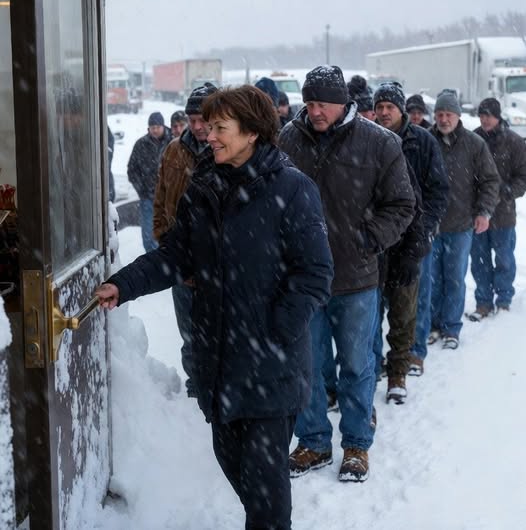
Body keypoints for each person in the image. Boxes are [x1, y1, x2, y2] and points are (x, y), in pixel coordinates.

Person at [97, 85, 333, 530]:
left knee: (265, 496)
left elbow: (315, 272)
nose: (208, 135)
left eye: (220, 127)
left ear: (252, 132)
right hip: (219, 363)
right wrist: (123, 285)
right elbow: (176, 255)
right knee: (234, 466)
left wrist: (276, 330)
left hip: (270, 369)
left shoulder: (292, 189)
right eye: (208, 127)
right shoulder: (206, 186)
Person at [279, 65, 415, 482]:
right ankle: (314, 442)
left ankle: (356, 444)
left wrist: (368, 239)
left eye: (322, 103)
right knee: (306, 365)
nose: (314, 111)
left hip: (355, 278)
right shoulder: (288, 139)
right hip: (303, 278)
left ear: (343, 103)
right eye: (309, 103)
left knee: (356, 366)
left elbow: (402, 204)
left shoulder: (379, 143)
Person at [373, 82, 449, 394]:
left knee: (405, 312)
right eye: (379, 107)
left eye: (389, 107)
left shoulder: (422, 141)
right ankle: (372, 366)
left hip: (411, 242)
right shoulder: (367, 139)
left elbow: (438, 191)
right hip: (375, 243)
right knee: (371, 315)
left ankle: (399, 370)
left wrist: (422, 232)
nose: (384, 112)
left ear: (401, 109)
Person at [153, 83, 217, 397]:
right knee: (189, 334)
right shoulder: (174, 150)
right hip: (182, 263)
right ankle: (195, 387)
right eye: (192, 120)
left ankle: (219, 386)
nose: (197, 126)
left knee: (220, 332)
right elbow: (160, 199)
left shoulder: (229, 149)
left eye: (203, 119)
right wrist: (165, 240)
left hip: (219, 267)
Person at [428, 89, 500, 349]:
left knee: (455, 278)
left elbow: (490, 181)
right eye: (439, 114)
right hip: (430, 226)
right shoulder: (425, 140)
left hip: (460, 225)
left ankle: (451, 328)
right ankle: (433, 324)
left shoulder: (474, 144)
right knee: (431, 280)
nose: (444, 119)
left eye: (448, 114)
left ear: (458, 116)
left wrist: (484, 212)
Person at [468, 98, 526, 320]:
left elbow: (523, 177)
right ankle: (483, 302)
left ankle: (503, 299)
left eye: (489, 116)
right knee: (479, 260)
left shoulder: (514, 142)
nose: (484, 120)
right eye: (481, 115)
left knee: (504, 259)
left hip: (503, 213)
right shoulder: (473, 139)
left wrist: (508, 192)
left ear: (498, 116)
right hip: (477, 212)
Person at [127, 112, 172, 252]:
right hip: (148, 198)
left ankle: (168, 260)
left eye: (158, 127)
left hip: (170, 198)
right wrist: (142, 189)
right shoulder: (141, 144)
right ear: (148, 128)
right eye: (152, 127)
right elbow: (132, 170)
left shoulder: (173, 142)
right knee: (148, 235)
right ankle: (153, 260)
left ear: (163, 126)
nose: (155, 130)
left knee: (170, 233)